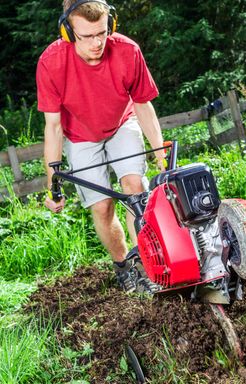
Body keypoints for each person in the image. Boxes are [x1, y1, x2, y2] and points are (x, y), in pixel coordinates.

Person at [36, 0, 165, 293]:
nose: (97, 43)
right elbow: (53, 127)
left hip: (122, 122)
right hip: (80, 136)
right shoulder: (51, 62)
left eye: (102, 33)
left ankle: (147, 261)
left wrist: (159, 152)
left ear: (111, 25)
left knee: (135, 189)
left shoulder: (127, 50)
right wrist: (52, 186)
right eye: (87, 36)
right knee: (102, 206)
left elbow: (143, 104)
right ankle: (123, 266)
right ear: (68, 33)